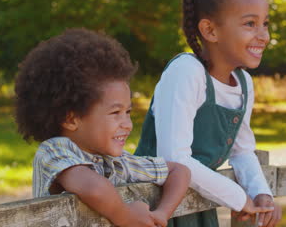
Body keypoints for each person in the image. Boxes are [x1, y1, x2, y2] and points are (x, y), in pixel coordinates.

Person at [135, 0, 281, 227]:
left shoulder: (244, 83)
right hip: (153, 206)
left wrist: (261, 193)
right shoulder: (186, 72)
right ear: (210, 30)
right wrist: (238, 197)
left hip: (198, 208)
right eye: (250, 24)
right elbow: (175, 159)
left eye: (265, 24)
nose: (264, 35)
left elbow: (242, 151)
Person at [14, 28, 191, 227]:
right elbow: (93, 188)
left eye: (128, 112)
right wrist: (127, 217)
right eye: (115, 113)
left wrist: (161, 214)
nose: (127, 124)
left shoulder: (117, 161)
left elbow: (179, 171)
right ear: (71, 119)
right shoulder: (54, 151)